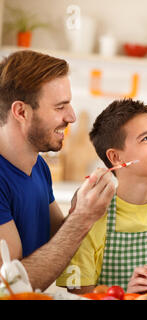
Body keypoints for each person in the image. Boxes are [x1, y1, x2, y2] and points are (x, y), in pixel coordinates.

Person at [56, 99, 147, 299]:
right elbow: (79, 296)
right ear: (117, 158)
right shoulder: (89, 219)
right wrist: (127, 296)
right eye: (146, 139)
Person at [0, 50, 115, 291]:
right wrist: (82, 218)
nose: (71, 116)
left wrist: (80, 210)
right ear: (21, 112)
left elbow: (57, 244)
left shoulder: (38, 166)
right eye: (60, 107)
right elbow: (10, 288)